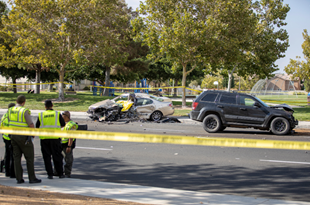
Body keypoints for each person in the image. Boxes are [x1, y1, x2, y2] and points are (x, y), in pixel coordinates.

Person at [7, 95, 41, 184]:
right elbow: (30, 124)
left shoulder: (10, 110)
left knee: (16, 158)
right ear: (24, 102)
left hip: (13, 136)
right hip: (23, 137)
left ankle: (19, 178)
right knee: (29, 158)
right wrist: (32, 134)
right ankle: (32, 178)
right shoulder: (24, 111)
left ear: (16, 101)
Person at [36, 100, 66, 179]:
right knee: (57, 156)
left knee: (47, 157)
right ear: (52, 105)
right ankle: (60, 173)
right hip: (55, 138)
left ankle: (50, 174)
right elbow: (63, 124)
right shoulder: (57, 114)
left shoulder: (41, 114)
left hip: (44, 139)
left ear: (45, 106)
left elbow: (37, 126)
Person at [61, 111, 78, 178]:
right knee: (58, 159)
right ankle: (58, 172)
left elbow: (71, 136)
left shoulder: (72, 125)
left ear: (67, 116)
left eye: (63, 116)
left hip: (66, 145)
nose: (62, 117)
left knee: (68, 159)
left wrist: (69, 146)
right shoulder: (61, 123)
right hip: (60, 144)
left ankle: (67, 173)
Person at [1, 103, 16, 178]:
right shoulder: (13, 116)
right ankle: (12, 173)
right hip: (12, 138)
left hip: (5, 137)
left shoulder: (4, 116)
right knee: (13, 156)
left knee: (7, 155)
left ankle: (7, 171)